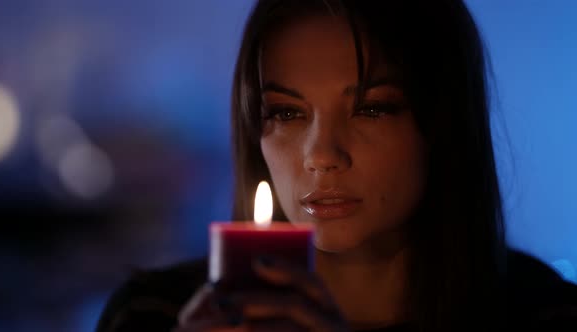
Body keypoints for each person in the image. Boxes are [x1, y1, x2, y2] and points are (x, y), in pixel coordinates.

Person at [95, 0, 577, 331]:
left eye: (371, 108)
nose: (322, 155)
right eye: (286, 113)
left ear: (442, 123)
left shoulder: (541, 314)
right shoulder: (155, 315)